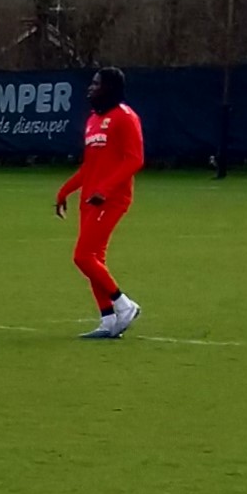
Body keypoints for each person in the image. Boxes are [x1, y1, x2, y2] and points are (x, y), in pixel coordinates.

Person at [56, 67, 144, 339]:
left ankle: (124, 305)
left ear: (110, 88)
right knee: (95, 258)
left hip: (112, 198)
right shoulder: (93, 120)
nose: (91, 88)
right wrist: (65, 191)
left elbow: (134, 159)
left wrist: (105, 190)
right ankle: (107, 320)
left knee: (82, 256)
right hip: (90, 198)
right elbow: (89, 167)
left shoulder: (125, 118)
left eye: (96, 83)